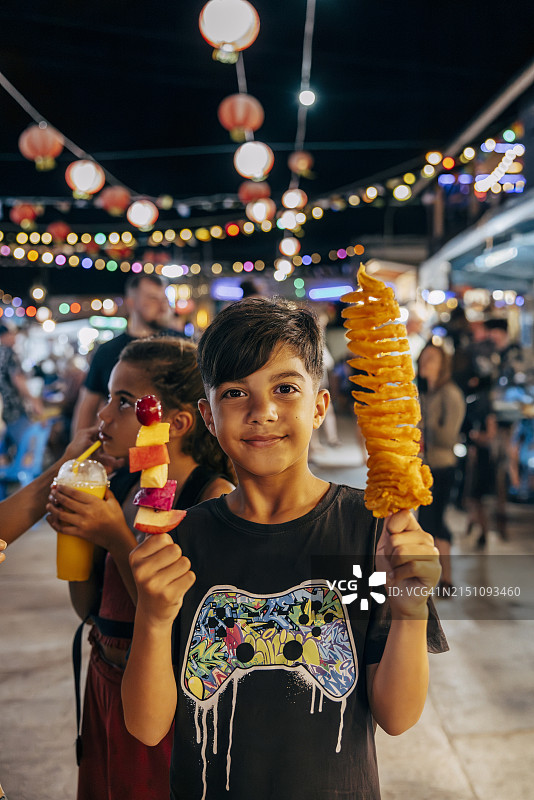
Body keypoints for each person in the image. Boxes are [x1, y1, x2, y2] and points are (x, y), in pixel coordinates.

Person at [122, 298, 447, 800]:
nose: (263, 411)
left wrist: (408, 607)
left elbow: (397, 716)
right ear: (208, 415)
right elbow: (146, 726)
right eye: (236, 392)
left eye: (285, 388)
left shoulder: (367, 535)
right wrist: (153, 616)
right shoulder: (182, 544)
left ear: (318, 406)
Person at [46, 337, 234, 800]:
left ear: (177, 423)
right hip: (102, 677)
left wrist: (115, 536)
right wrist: (77, 538)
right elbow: (88, 607)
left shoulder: (210, 499)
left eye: (126, 402)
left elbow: (190, 633)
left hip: (158, 697)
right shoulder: (125, 487)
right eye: (109, 397)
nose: (104, 415)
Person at [72, 273, 176, 433]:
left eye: (164, 299)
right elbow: (86, 410)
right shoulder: (108, 352)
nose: (163, 307)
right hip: (122, 450)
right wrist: (78, 454)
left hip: (176, 447)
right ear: (131, 303)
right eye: (153, 299)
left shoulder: (182, 346)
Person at [417, 344, 465, 590]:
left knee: (432, 522)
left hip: (443, 468)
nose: (425, 363)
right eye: (423, 358)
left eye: (431, 359)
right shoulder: (426, 392)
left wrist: (427, 422)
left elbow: (449, 437)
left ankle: (439, 577)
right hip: (425, 467)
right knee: (432, 522)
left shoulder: (450, 394)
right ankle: (443, 578)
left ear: (442, 364)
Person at [0, 322, 43, 457]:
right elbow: (18, 379)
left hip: (2, 412)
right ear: (4, 336)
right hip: (13, 409)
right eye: (12, 334)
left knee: (5, 453)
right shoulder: (7, 352)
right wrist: (36, 403)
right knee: (27, 450)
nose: (15, 338)